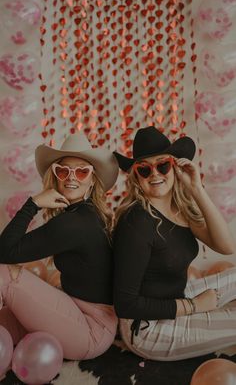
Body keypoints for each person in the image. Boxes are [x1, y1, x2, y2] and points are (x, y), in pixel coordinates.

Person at [112, 126, 236, 361]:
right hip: (149, 330)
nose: (155, 174)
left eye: (162, 165)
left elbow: (227, 247)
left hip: (175, 297)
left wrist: (196, 188)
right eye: (144, 169)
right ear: (136, 176)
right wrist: (194, 306)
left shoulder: (180, 208)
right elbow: (125, 304)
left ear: (175, 166)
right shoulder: (135, 222)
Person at [0, 132, 119, 360]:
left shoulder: (73, 223)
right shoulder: (84, 214)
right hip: (72, 311)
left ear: (93, 179)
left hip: (90, 331)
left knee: (5, 274)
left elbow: (4, 253)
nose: (71, 178)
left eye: (82, 171)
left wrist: (33, 204)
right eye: (63, 170)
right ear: (55, 175)